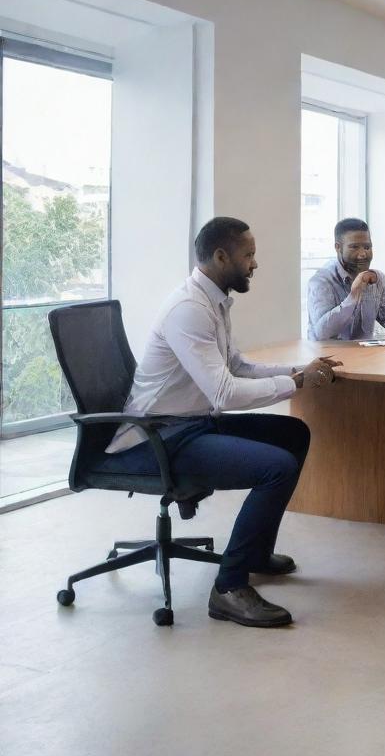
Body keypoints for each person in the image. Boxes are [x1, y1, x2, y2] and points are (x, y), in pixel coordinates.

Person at [100, 217, 343, 628]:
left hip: (190, 423)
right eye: (248, 255)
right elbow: (225, 393)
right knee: (275, 467)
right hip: (157, 438)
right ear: (220, 256)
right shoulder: (189, 310)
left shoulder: (214, 300)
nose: (255, 263)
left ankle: (254, 554)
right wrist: (298, 382)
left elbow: (237, 367)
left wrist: (299, 369)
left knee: (293, 433)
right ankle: (229, 587)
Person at [307, 218, 385, 341]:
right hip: (327, 357)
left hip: (363, 356)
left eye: (367, 247)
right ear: (338, 247)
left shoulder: (377, 279)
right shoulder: (321, 281)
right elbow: (321, 334)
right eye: (354, 247)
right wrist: (353, 296)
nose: (362, 254)